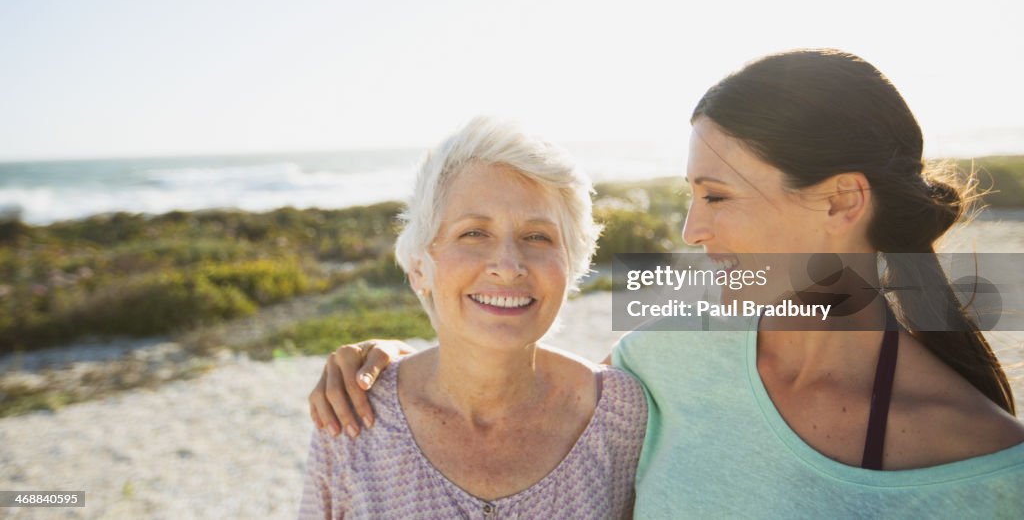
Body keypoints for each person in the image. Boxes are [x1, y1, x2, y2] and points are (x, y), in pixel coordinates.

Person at [309, 50, 1024, 517]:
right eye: (689, 196)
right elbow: (508, 369)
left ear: (840, 201)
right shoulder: (661, 364)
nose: (691, 231)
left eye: (716, 195)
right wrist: (389, 355)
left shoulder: (991, 468)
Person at [298, 117, 647, 519]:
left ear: (572, 265)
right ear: (419, 266)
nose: (509, 265)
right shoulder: (352, 417)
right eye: (474, 233)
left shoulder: (620, 414)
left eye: (538, 236)